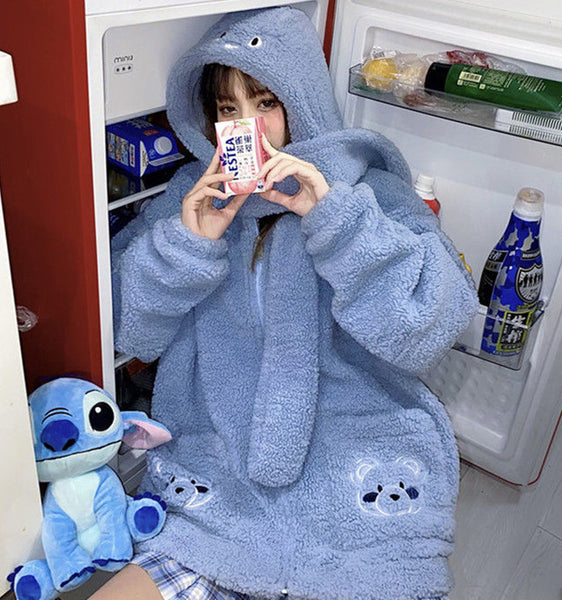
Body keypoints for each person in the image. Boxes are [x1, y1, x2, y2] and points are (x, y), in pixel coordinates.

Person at [99, 6, 479, 600]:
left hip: (353, 467)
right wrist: (187, 246)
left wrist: (337, 221)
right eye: (228, 109)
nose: (247, 128)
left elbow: (429, 326)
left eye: (265, 102)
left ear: (302, 101)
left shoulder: (370, 191)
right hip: (219, 470)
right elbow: (127, 329)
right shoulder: (190, 197)